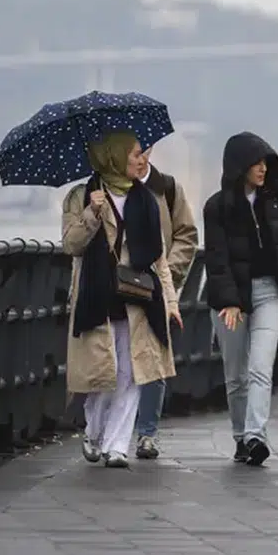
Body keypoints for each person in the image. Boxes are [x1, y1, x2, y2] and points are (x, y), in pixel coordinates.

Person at [62, 131, 182, 468]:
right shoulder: (81, 196)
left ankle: (117, 446)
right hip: (98, 296)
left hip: (139, 296)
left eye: (144, 154)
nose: (143, 160)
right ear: (113, 157)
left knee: (133, 373)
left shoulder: (147, 198)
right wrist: (92, 213)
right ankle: (94, 431)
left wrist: (171, 302)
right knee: (104, 372)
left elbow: (159, 258)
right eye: (135, 155)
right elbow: (71, 244)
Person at [204, 132, 278, 466]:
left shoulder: (275, 202)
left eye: (266, 162)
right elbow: (217, 259)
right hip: (231, 299)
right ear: (239, 166)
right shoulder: (217, 207)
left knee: (261, 367)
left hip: (270, 293)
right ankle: (240, 437)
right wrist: (230, 301)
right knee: (236, 375)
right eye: (255, 163)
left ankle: (255, 435)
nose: (262, 169)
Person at [132, 147, 199, 460]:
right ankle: (117, 429)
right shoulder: (111, 188)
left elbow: (186, 234)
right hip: (123, 286)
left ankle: (146, 432)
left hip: (159, 287)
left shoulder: (167, 188)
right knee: (121, 357)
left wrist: (168, 274)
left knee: (156, 354)